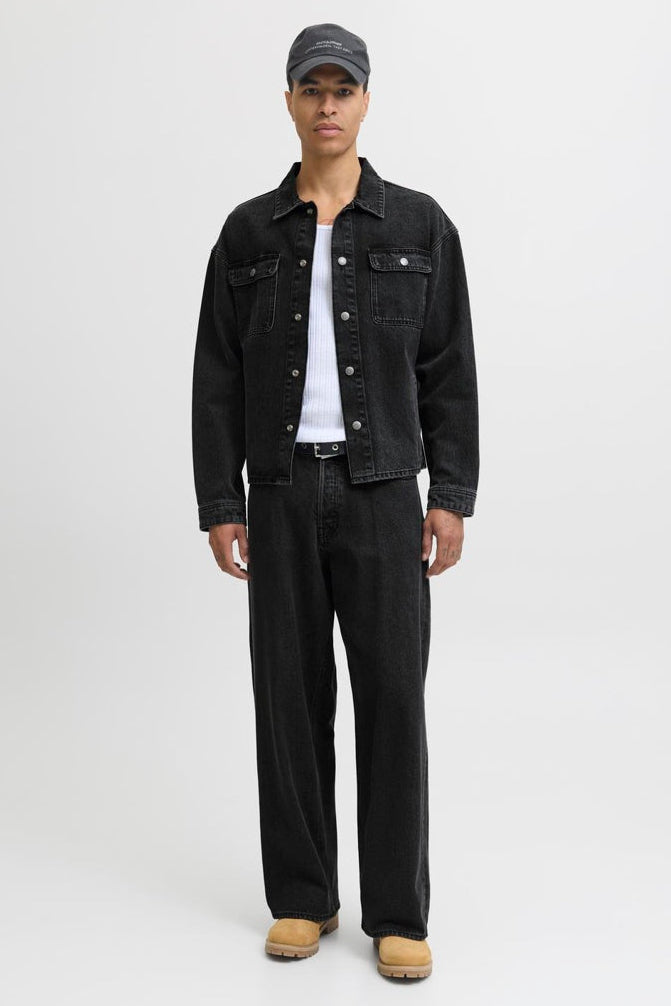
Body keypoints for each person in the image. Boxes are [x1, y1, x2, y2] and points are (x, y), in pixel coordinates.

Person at [191, 22, 479, 980]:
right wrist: (220, 501)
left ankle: (397, 910)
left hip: (383, 490)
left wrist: (451, 494)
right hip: (277, 491)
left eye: (341, 89)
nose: (326, 105)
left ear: (363, 101)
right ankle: (303, 898)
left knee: (392, 698)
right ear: (288, 101)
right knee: (289, 697)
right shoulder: (246, 233)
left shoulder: (418, 226)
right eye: (310, 89)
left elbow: (448, 367)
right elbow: (217, 378)